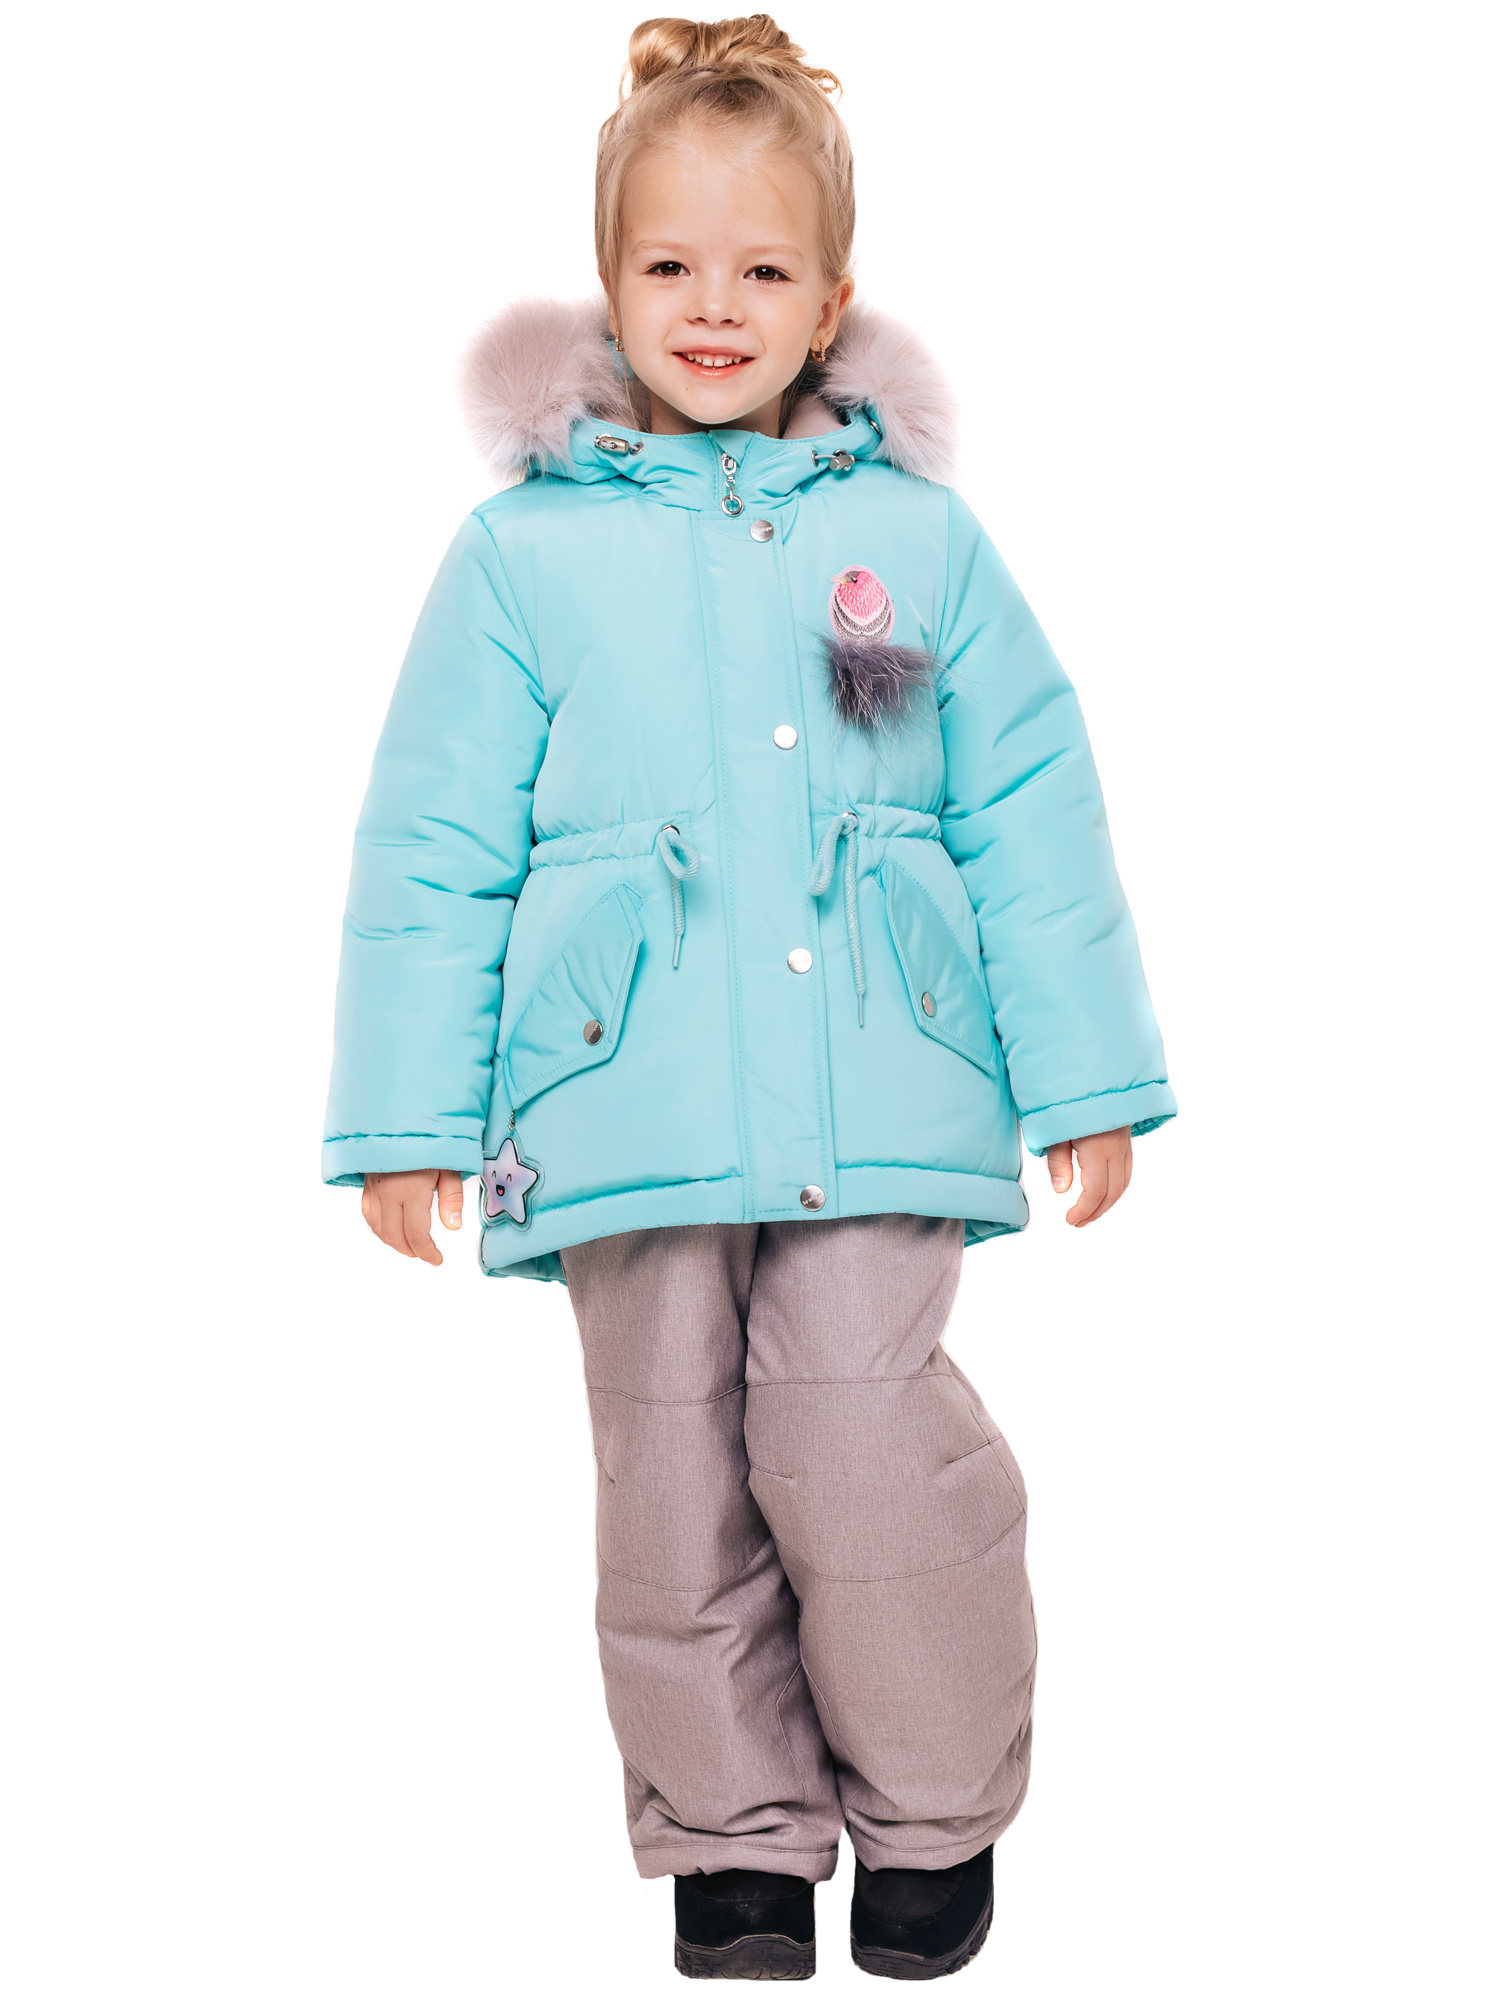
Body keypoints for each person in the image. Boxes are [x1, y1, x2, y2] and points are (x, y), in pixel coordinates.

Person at [323, 13, 1175, 1981]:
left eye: (765, 269)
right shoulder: (520, 559)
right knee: (672, 1484)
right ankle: (732, 1839)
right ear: (609, 283)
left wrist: (1085, 1077)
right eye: (672, 264)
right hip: (615, 1093)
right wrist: (407, 1118)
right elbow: (434, 840)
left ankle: (935, 1802)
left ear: (833, 301)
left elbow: (1025, 804)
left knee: (860, 1448)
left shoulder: (916, 544)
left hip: (882, 1083)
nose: (716, 307)